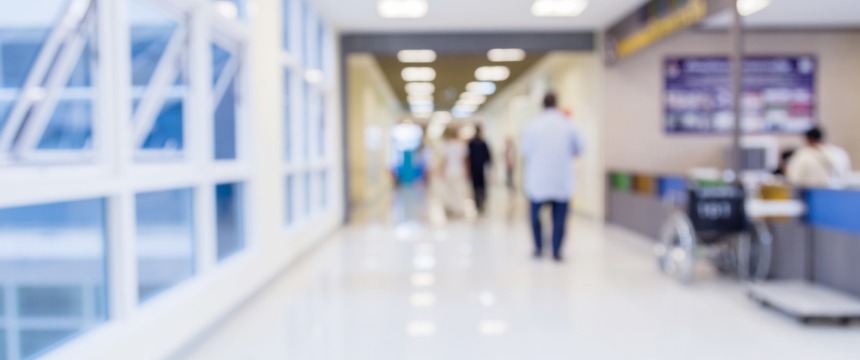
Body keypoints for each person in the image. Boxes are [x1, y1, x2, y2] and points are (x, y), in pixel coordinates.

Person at [521, 93, 584, 262]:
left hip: (537, 180)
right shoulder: (568, 125)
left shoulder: (533, 126)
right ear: (556, 103)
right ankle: (556, 250)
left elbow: (525, 151)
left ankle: (539, 247)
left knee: (535, 216)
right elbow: (580, 149)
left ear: (542, 105)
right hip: (561, 179)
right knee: (559, 218)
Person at [786, 127, 851, 188]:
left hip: (812, 195)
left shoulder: (803, 154)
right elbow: (846, 175)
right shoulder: (839, 153)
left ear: (808, 139)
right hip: (838, 194)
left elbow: (793, 179)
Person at [441, 128, 469, 216]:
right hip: (459, 170)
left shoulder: (447, 145)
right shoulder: (461, 145)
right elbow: (465, 160)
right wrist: (467, 171)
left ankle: (450, 208)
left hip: (449, 170)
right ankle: (458, 208)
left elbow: (445, 160)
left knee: (450, 190)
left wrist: (442, 170)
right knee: (459, 190)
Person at [467, 126, 492, 213]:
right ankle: (477, 202)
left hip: (481, 168)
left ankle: (481, 201)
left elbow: (488, 156)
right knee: (476, 185)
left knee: (481, 185)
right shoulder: (472, 143)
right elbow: (468, 157)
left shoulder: (482, 143)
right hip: (475, 168)